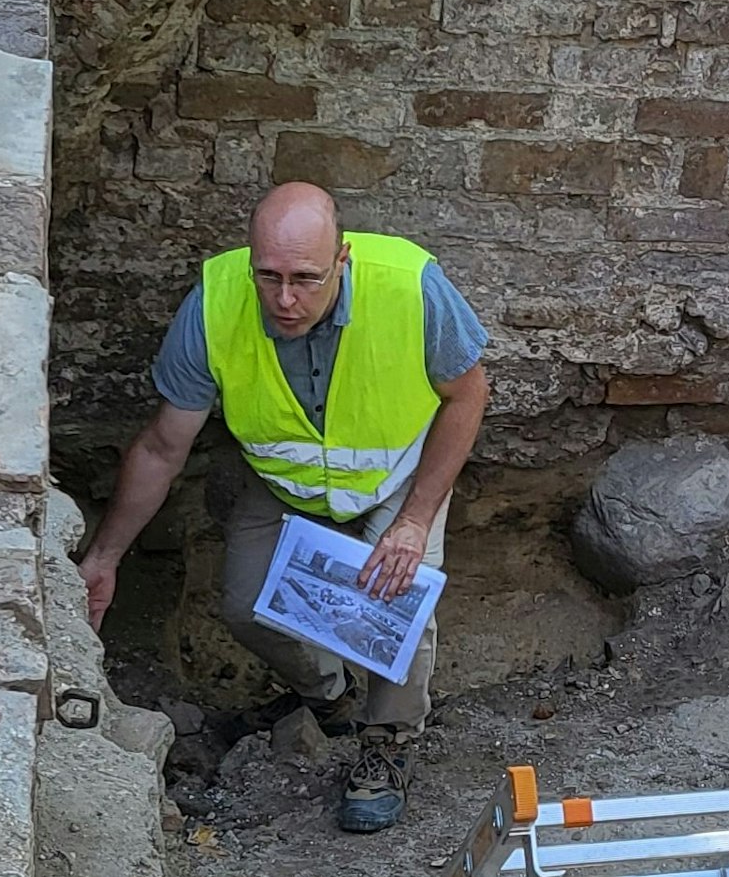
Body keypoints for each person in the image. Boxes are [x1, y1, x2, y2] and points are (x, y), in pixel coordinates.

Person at [77, 182, 490, 833]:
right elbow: (162, 446)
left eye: (306, 278)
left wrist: (414, 521)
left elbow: (468, 396)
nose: (285, 299)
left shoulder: (411, 285)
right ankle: (331, 694)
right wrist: (104, 557)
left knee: (397, 610)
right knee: (245, 604)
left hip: (394, 474)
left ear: (343, 260)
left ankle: (386, 742)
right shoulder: (214, 304)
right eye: (268, 276)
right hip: (282, 481)